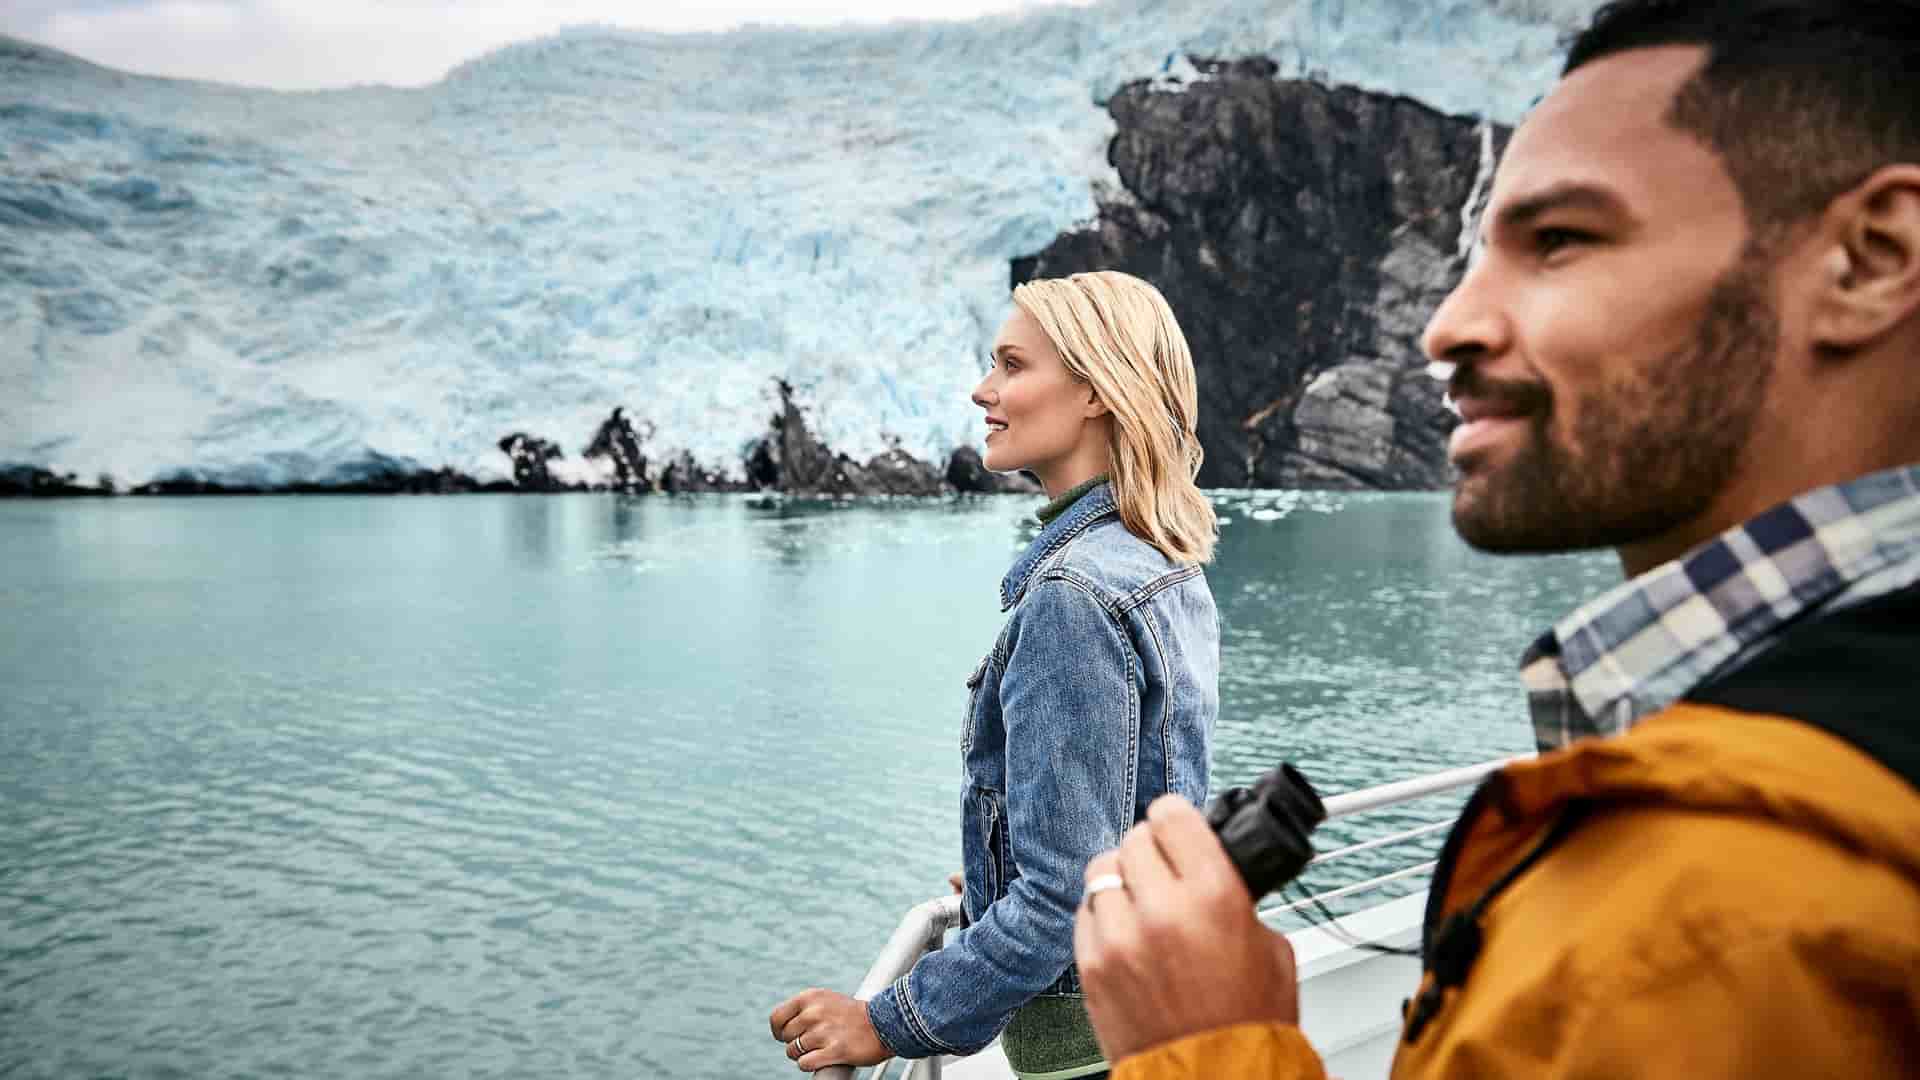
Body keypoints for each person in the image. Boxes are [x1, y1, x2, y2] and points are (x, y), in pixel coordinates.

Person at [1072, 1, 1920, 1076]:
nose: (1447, 327)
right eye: (1478, 257)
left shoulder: (1723, 908)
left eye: (1560, 241)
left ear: (1871, 257)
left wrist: (1207, 1049)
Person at [769, 271, 1222, 1077]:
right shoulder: (1163, 564)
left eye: (1013, 366)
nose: (985, 390)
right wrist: (997, 874)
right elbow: (1141, 811)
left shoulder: (1073, 596)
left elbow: (1065, 902)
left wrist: (886, 1022)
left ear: (1093, 388)